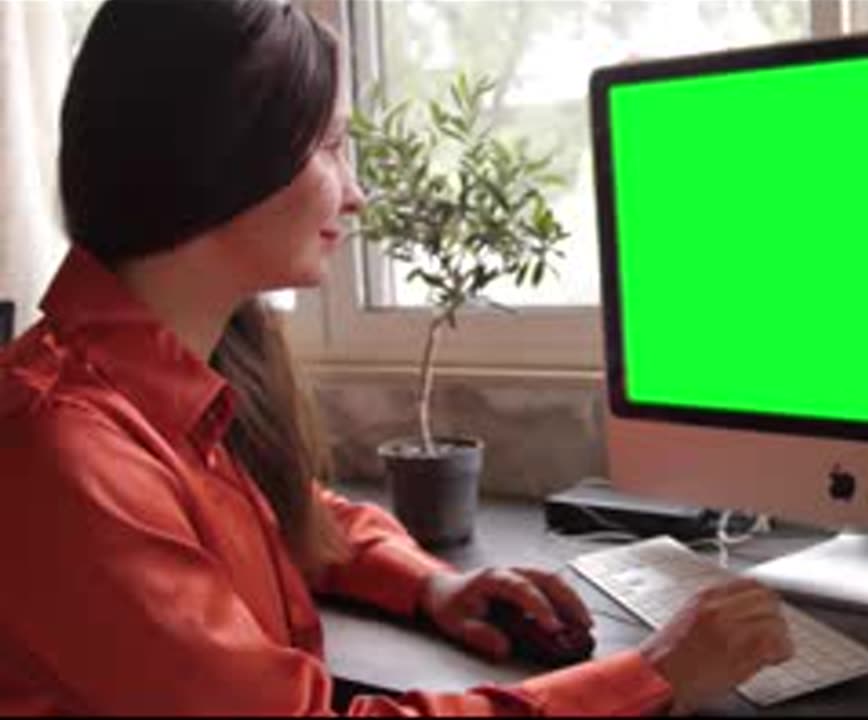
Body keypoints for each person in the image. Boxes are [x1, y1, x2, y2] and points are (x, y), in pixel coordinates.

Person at [0, 0, 793, 715]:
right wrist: (655, 674)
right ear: (220, 157)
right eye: (333, 148)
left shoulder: (170, 387)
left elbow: (291, 514)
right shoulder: (59, 453)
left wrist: (432, 585)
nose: (356, 193)